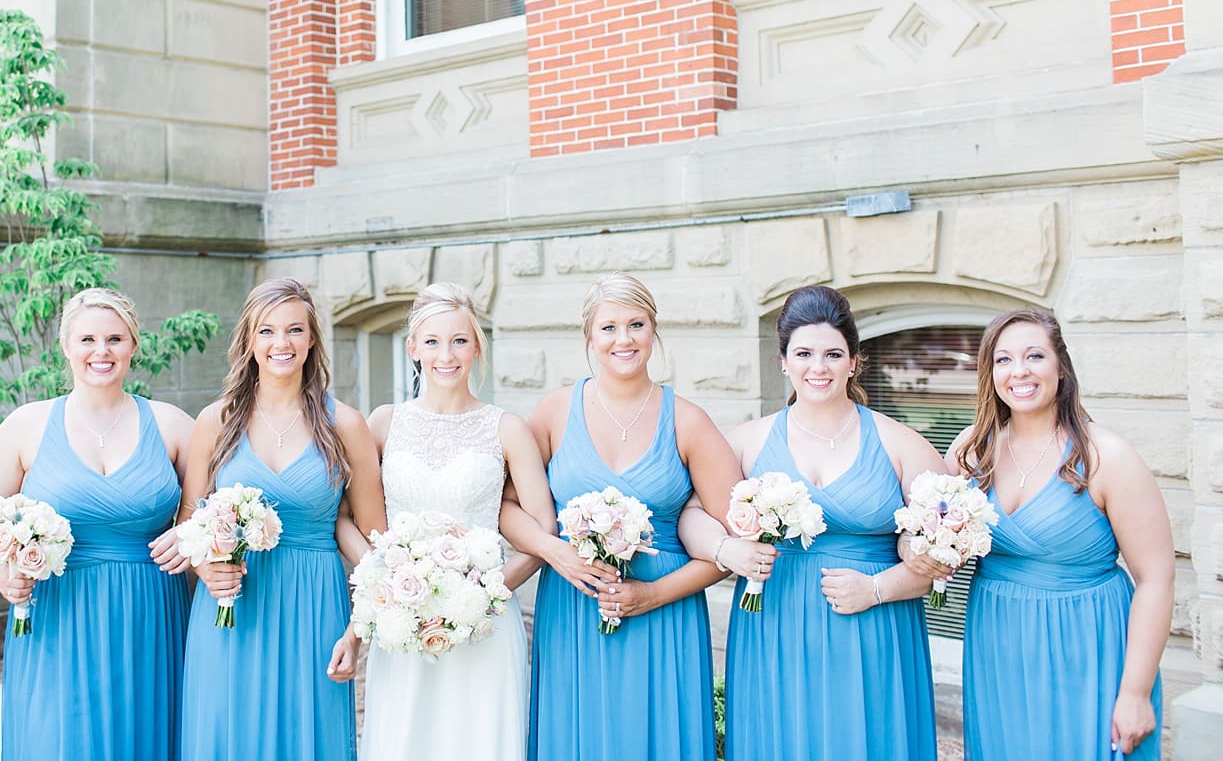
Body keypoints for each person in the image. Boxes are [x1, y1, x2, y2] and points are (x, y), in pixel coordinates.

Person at [501, 272, 742, 761]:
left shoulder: (688, 421)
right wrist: (556, 553)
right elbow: (506, 507)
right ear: (589, 336)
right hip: (572, 610)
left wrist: (653, 594)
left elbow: (735, 544)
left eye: (637, 324)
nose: (624, 339)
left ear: (654, 331)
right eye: (609, 327)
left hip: (665, 616)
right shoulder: (553, 412)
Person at [702, 285, 941, 761]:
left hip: (873, 630)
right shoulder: (746, 441)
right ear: (784, 362)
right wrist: (725, 551)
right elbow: (692, 513)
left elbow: (944, 550)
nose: (819, 367)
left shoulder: (901, 444)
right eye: (804, 353)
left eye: (834, 353)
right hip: (774, 626)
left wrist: (878, 588)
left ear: (854, 362)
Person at [0, 288, 195, 760]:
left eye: (115, 338)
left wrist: (189, 540)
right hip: (57, 614)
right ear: (66, 347)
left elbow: (202, 516)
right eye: (87, 339)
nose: (101, 351)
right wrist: (4, 571)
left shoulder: (172, 425)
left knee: (144, 737)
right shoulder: (27, 425)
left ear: (133, 345)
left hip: (150, 614)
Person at [161, 277, 386, 761]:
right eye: (266, 331)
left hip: (314, 605)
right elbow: (188, 520)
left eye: (294, 330)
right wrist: (206, 568)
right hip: (232, 606)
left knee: (308, 736)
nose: (280, 343)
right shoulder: (216, 420)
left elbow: (376, 545)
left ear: (311, 340)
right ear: (248, 340)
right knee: (228, 734)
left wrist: (357, 631)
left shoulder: (344, 424)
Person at [949, 308, 1172, 759]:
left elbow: (1157, 577)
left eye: (1035, 355)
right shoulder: (973, 449)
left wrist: (1135, 692)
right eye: (1004, 359)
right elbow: (935, 541)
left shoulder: (1105, 455)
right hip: (998, 644)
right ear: (989, 372)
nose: (1020, 372)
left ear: (1061, 368)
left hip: (1085, 644)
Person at [350, 283, 554, 760]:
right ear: (413, 349)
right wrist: (385, 579)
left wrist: (485, 593)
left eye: (460, 340)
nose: (447, 354)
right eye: (434, 341)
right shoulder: (383, 423)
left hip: (482, 625)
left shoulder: (506, 428)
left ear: (477, 347)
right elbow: (350, 519)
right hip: (402, 620)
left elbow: (541, 534)